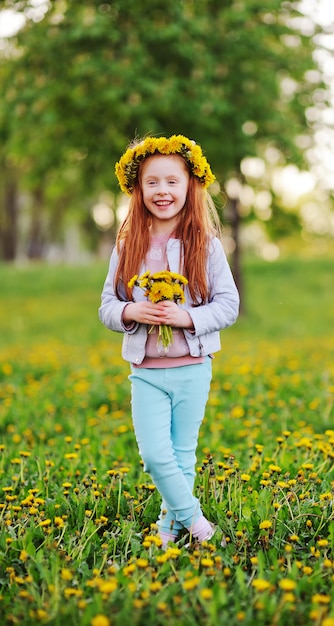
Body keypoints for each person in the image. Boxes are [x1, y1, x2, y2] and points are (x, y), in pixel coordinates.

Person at [99, 134, 239, 547]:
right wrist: (130, 312)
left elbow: (228, 304)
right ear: (138, 190)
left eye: (172, 182)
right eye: (152, 183)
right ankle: (197, 524)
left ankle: (167, 530)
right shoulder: (128, 246)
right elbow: (108, 304)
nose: (162, 191)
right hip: (146, 373)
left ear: (189, 186)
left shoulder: (206, 245)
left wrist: (188, 318)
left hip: (193, 369)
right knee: (155, 456)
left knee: (182, 456)